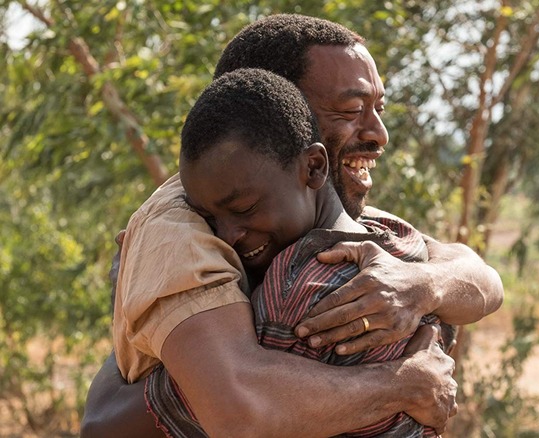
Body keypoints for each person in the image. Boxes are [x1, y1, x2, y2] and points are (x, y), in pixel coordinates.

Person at [81, 14, 503, 437]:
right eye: (351, 109)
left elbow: (483, 279)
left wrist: (423, 284)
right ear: (278, 110)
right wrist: (407, 384)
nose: (379, 134)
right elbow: (239, 408)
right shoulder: (182, 227)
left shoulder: (327, 216)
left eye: (378, 108)